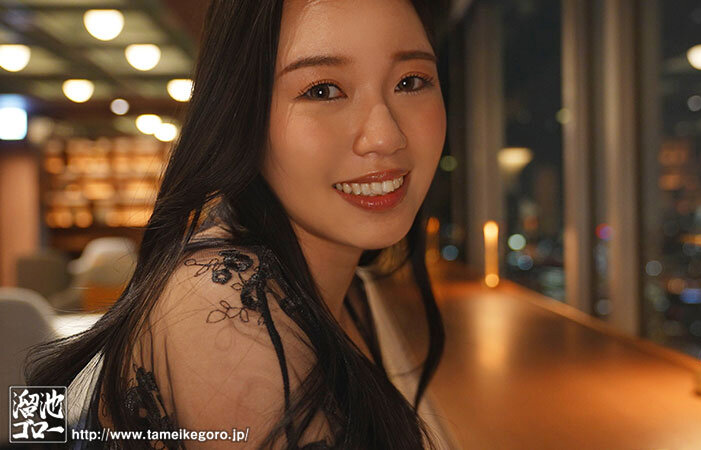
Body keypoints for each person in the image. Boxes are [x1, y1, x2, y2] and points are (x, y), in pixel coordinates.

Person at [25, 0, 451, 448]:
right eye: (323, 90)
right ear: (241, 108)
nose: (385, 136)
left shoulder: (335, 278)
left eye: (410, 81)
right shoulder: (229, 314)